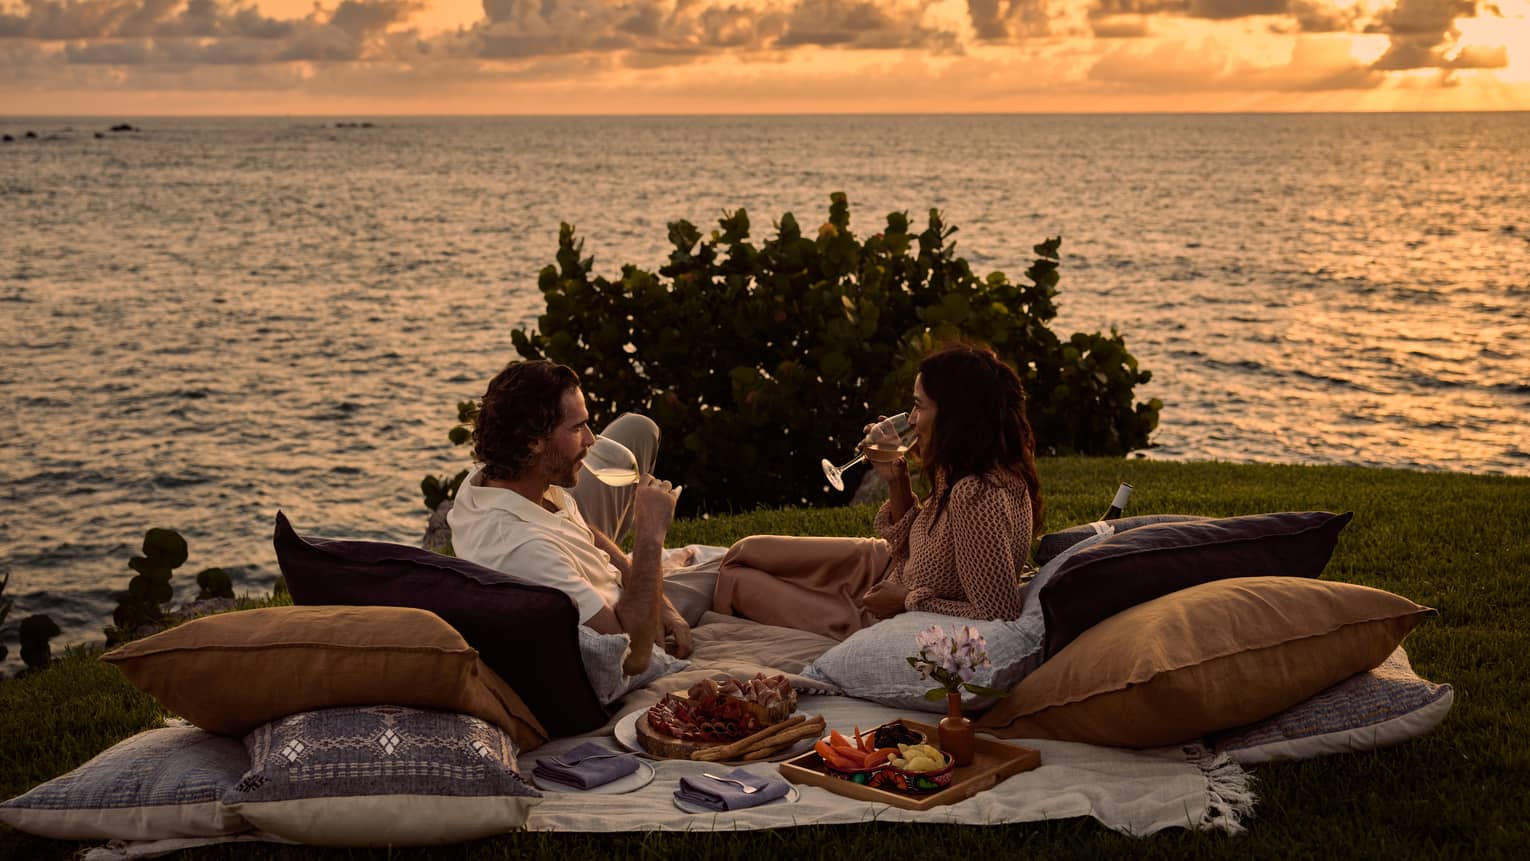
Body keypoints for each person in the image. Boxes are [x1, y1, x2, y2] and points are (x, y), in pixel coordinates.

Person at [715, 342, 1045, 637]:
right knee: (745, 551)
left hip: (882, 616)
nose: (911, 419)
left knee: (735, 581)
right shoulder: (961, 466)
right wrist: (896, 479)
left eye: (919, 407)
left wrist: (904, 601)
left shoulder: (978, 495)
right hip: (885, 567)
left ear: (955, 417)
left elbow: (997, 615)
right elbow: (916, 548)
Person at [447, 359, 693, 676]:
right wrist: (649, 536)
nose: (591, 440)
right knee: (738, 571)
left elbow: (581, 528)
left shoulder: (498, 479)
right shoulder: (525, 552)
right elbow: (634, 657)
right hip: (628, 618)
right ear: (533, 440)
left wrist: (661, 600)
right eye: (577, 428)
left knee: (739, 564)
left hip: (621, 588)